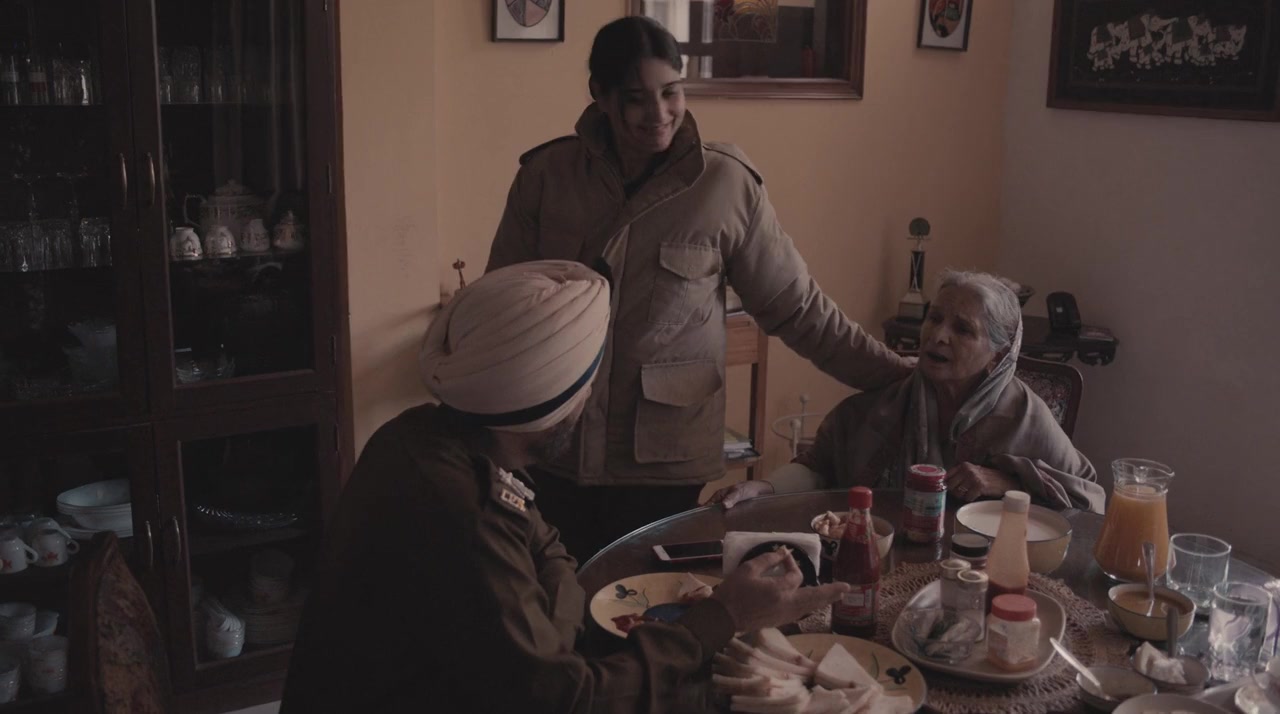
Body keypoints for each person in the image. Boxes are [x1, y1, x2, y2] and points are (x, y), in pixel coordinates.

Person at [279, 261, 848, 714]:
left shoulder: (424, 437)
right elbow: (568, 700)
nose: (592, 398)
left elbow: (548, 551)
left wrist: (552, 637)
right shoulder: (467, 513)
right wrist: (723, 615)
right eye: (586, 383)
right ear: (551, 401)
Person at [486, 16, 911, 561]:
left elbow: (798, 309)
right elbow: (502, 309)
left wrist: (896, 374)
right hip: (554, 447)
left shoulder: (725, 183)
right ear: (600, 95)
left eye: (671, 92)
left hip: (664, 461)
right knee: (556, 592)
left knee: (650, 596)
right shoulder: (547, 176)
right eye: (636, 98)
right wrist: (487, 438)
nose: (658, 113)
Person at [710, 270, 1106, 514]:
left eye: (962, 329)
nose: (938, 335)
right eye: (935, 318)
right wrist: (762, 487)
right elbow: (819, 465)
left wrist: (1007, 482)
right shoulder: (886, 402)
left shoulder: (1023, 415)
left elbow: (1088, 498)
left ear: (998, 355)